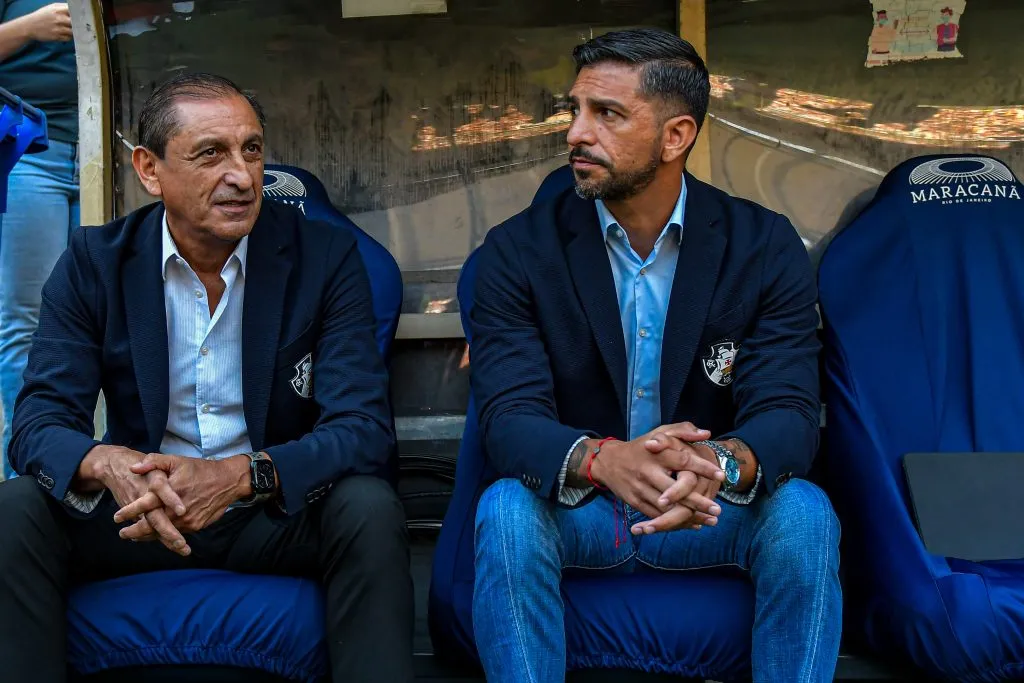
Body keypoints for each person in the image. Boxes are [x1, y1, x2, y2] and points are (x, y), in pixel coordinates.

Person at [0, 73, 414, 682]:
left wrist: (236, 477)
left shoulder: (324, 257)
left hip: (266, 509)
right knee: (16, 508)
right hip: (143, 509)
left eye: (252, 149)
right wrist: (111, 466)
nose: (243, 177)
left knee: (368, 507)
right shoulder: (96, 261)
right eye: (210, 154)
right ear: (149, 170)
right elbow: (37, 423)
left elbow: (362, 430)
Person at [469, 28, 841, 682]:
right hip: (582, 508)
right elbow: (508, 419)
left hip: (706, 507)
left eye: (607, 114)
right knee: (505, 510)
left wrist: (714, 461)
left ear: (676, 136)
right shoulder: (517, 251)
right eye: (575, 109)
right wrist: (606, 459)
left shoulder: (763, 246)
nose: (576, 134)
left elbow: (786, 412)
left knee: (804, 513)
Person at [0, 2, 79, 480]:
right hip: (27, 149)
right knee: (26, 320)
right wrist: (30, 28)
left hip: (112, 144)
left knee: (109, 315)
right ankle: (26, 473)